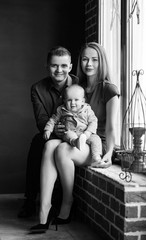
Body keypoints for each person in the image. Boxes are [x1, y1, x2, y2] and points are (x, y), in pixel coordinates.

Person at [30, 42, 120, 233]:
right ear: (79, 62)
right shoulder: (78, 87)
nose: (89, 64)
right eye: (85, 59)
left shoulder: (109, 89)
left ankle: (67, 202)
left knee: (62, 148)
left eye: (94, 60)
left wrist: (110, 152)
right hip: (78, 141)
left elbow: (112, 128)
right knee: (50, 145)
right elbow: (62, 115)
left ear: (101, 62)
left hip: (96, 142)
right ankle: (44, 210)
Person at [18, 46, 78, 218]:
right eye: (54, 65)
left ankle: (60, 200)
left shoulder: (79, 84)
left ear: (71, 66)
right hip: (50, 132)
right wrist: (57, 130)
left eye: (64, 66)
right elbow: (41, 120)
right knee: (38, 142)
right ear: (47, 66)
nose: (59, 70)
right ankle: (30, 201)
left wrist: (71, 131)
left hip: (76, 134)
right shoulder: (37, 88)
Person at [44, 84, 102, 164]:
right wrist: (48, 129)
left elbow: (93, 121)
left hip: (85, 134)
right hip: (71, 133)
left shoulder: (87, 110)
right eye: (69, 100)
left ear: (83, 101)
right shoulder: (62, 110)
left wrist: (87, 133)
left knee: (96, 139)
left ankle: (96, 157)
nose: (73, 103)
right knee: (68, 134)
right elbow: (53, 120)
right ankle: (75, 142)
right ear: (64, 100)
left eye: (76, 100)